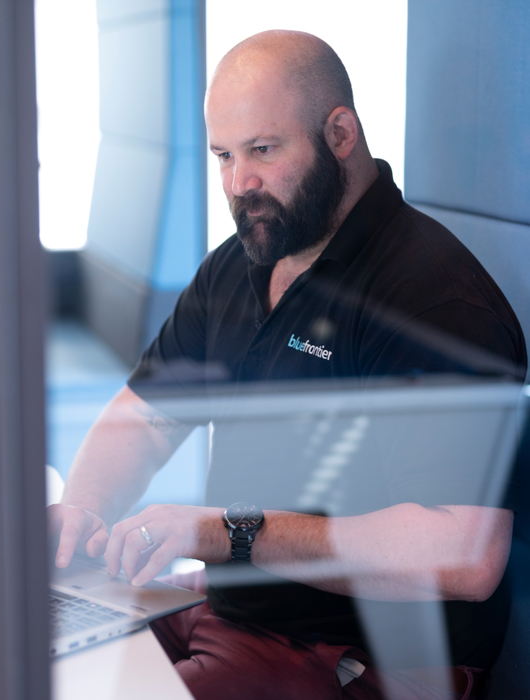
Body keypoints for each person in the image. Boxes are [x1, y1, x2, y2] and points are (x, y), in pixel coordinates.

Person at [49, 30, 526, 699]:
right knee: (17, 653)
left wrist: (227, 534)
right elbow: (147, 418)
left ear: (340, 133)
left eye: (263, 151)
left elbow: (466, 556)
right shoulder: (239, 264)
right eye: (223, 156)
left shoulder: (430, 295)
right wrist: (84, 513)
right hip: (230, 610)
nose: (239, 184)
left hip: (356, 656)